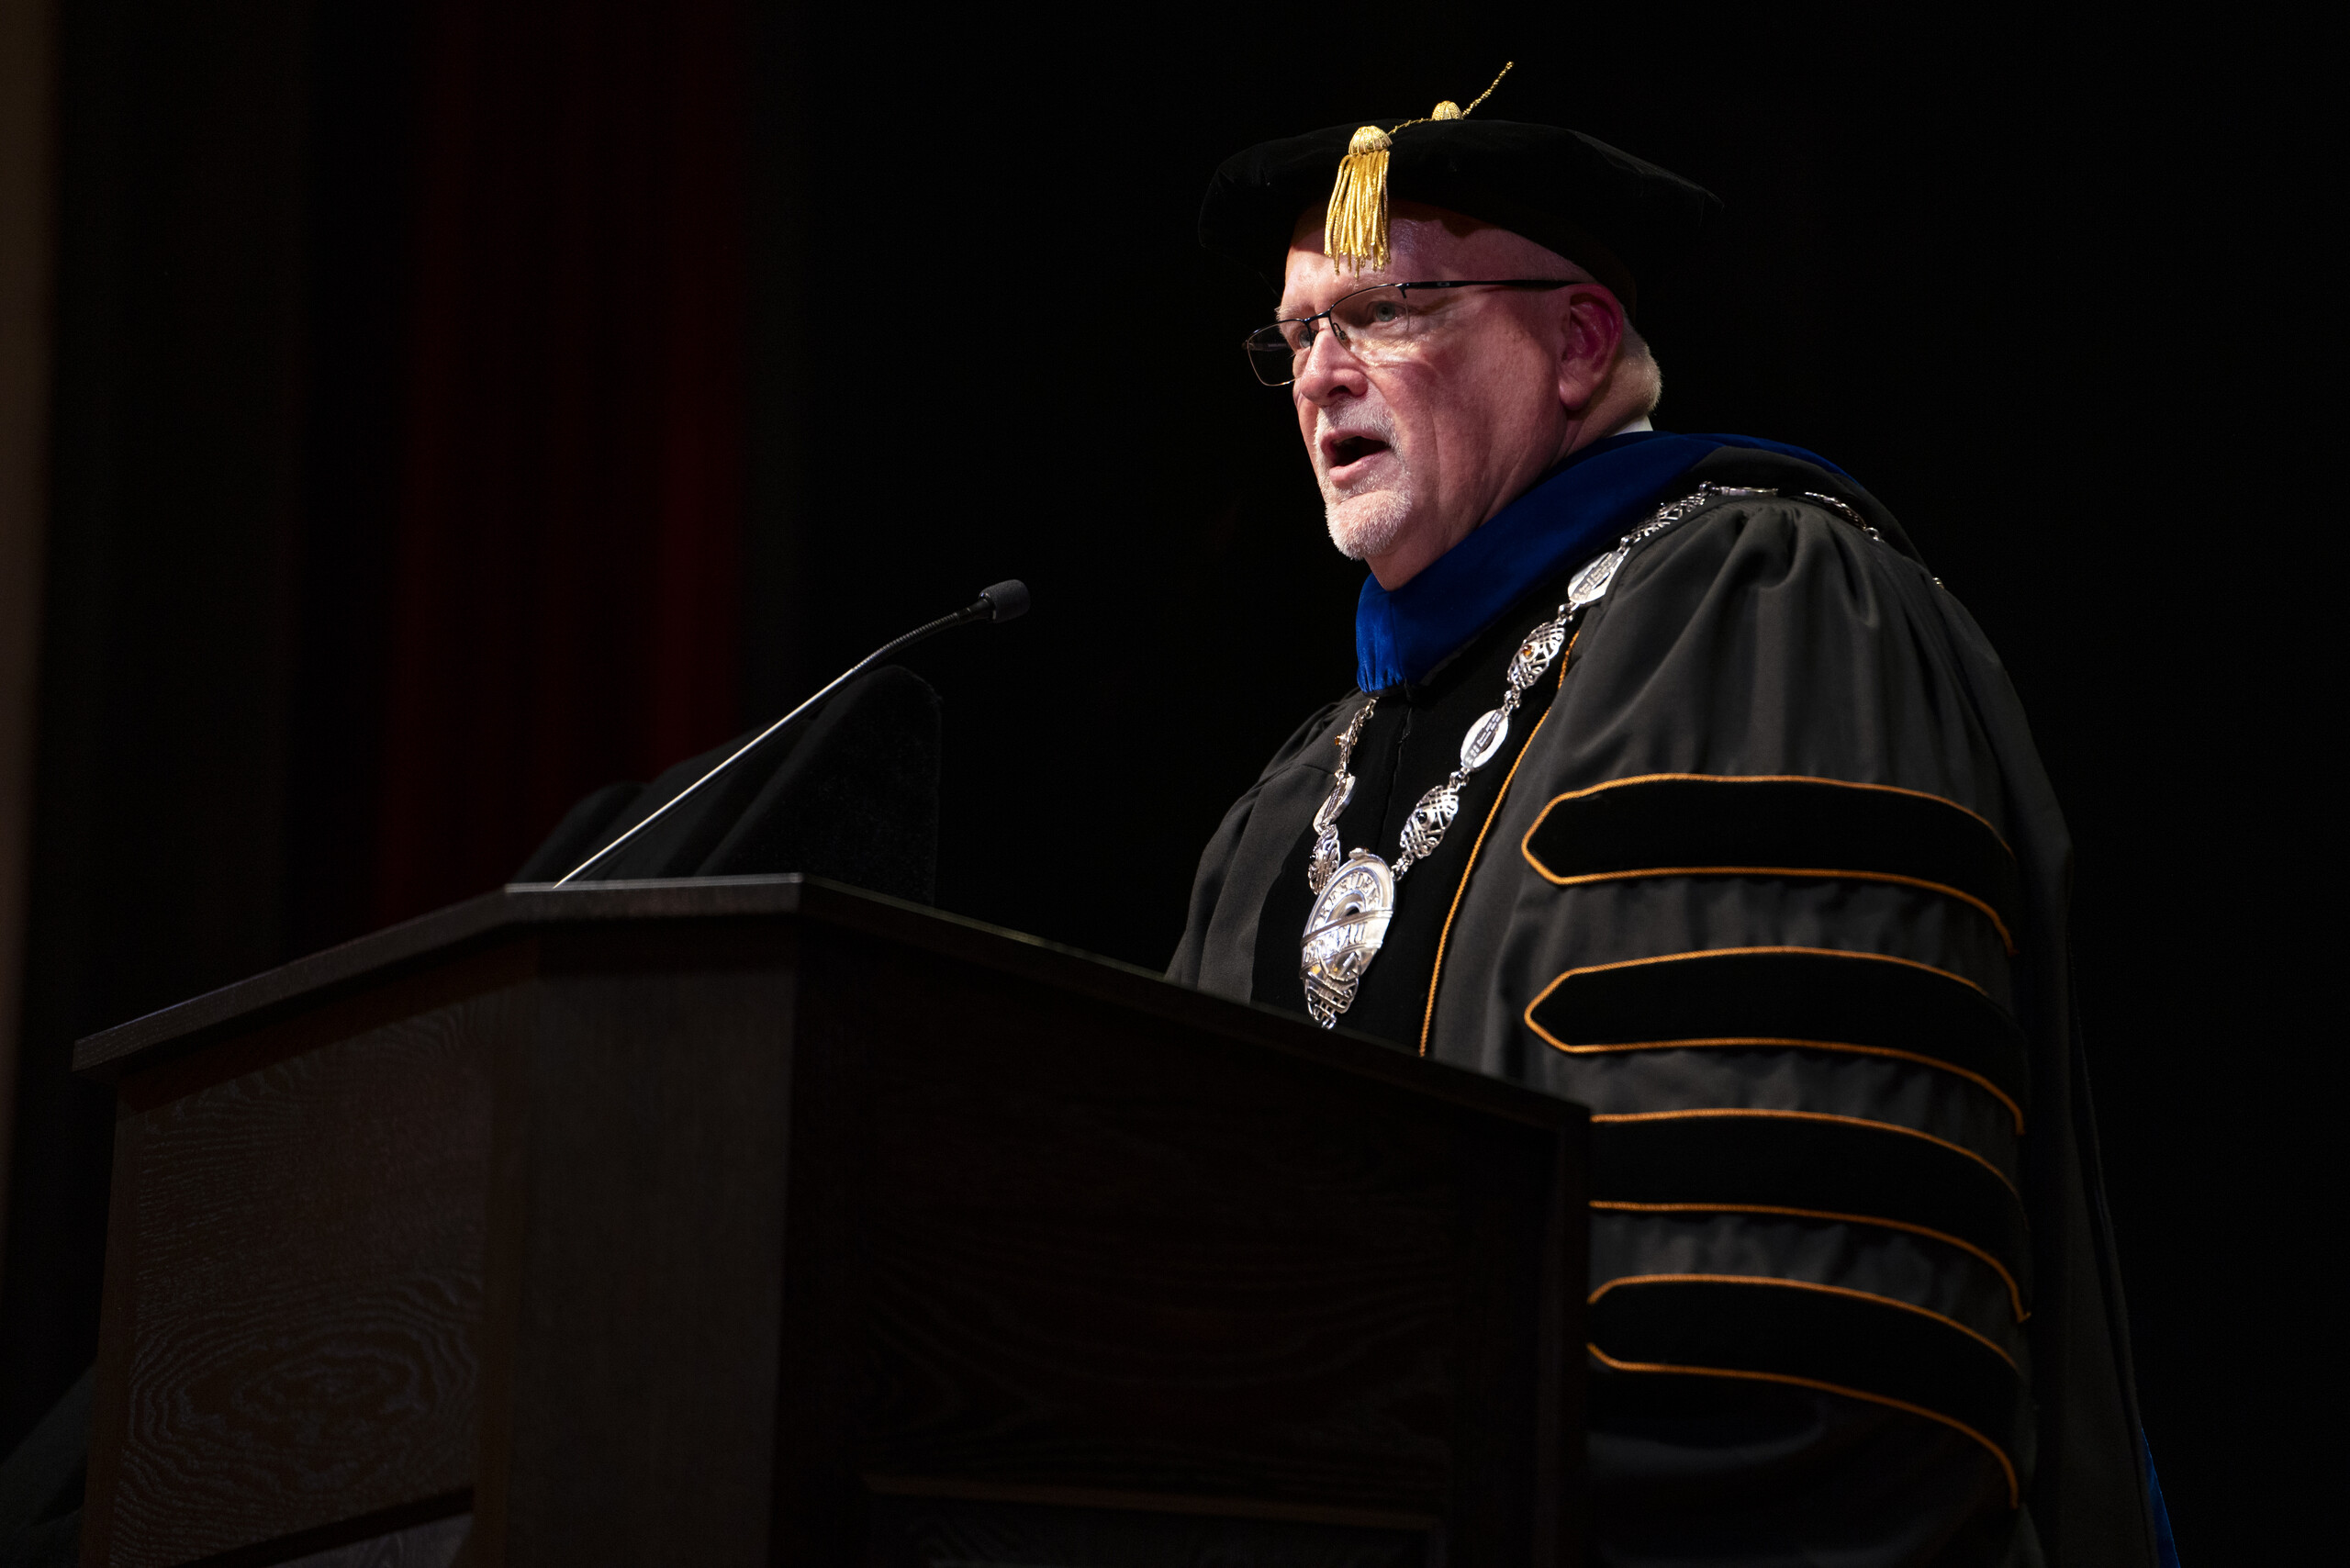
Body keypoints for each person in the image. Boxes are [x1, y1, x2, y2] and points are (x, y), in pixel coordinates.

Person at [1171, 95, 2169, 1566]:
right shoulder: (1297, 786)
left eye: (1388, 311)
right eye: (1296, 334)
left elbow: (1790, 1316)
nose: (1323, 376)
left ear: (1579, 345)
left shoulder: (1764, 609)